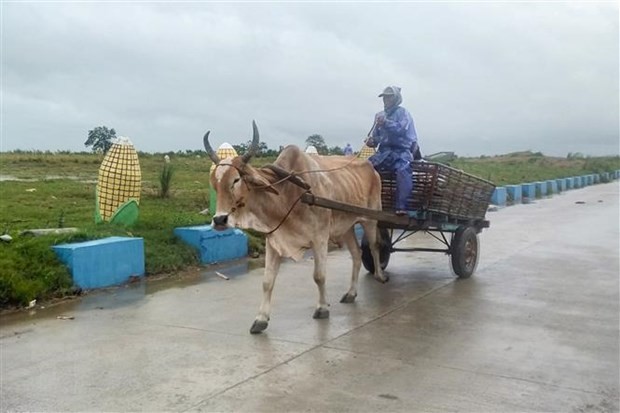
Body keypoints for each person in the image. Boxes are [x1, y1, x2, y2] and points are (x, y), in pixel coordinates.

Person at [365, 86, 420, 215]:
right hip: (383, 153)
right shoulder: (379, 115)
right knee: (365, 167)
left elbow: (400, 130)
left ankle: (401, 207)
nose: (386, 99)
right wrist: (372, 141)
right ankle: (365, 201)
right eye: (384, 97)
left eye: (389, 97)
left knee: (403, 171)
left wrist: (386, 123)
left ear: (396, 98)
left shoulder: (404, 113)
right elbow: (377, 137)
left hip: (401, 152)